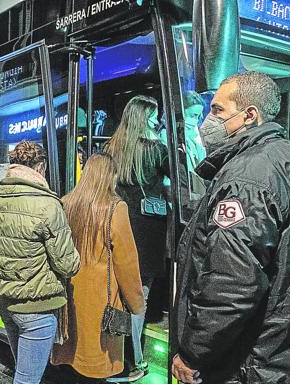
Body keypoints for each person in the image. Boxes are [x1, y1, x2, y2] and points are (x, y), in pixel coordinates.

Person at [172, 71, 290, 384]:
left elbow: (229, 285)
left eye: (218, 110)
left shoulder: (246, 178)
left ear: (250, 115)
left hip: (261, 362)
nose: (208, 120)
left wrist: (193, 353)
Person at [0, 140, 80, 384]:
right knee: (27, 380)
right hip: (38, 308)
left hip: (6, 305)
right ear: (41, 168)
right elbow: (67, 264)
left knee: (23, 373)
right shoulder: (48, 205)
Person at [52, 153, 145, 381]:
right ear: (108, 177)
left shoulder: (65, 203)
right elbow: (126, 263)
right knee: (96, 366)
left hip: (69, 298)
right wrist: (137, 303)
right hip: (100, 304)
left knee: (71, 362)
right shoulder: (115, 208)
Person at [105, 95, 170, 379]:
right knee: (139, 299)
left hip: (117, 224)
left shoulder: (112, 148)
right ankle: (134, 361)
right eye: (154, 116)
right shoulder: (157, 149)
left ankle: (113, 357)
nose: (157, 121)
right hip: (147, 233)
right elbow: (183, 179)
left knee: (119, 294)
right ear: (145, 118)